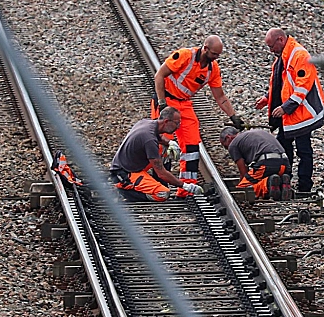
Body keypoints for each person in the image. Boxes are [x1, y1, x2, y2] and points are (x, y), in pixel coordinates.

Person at [152, 34, 245, 182]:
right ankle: (159, 182)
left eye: (218, 55)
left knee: (192, 142)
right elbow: (159, 75)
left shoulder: (212, 69)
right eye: (214, 54)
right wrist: (162, 103)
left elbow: (220, 97)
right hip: (167, 99)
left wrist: (233, 116)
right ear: (205, 48)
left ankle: (188, 185)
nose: (215, 58)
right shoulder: (184, 56)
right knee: (163, 142)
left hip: (184, 103)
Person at [255, 28, 324, 193]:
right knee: (283, 148)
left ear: (280, 39)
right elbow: (283, 84)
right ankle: (284, 181)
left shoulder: (299, 56)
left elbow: (302, 86)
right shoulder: (285, 56)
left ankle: (304, 187)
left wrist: (285, 108)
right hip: (291, 115)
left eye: (272, 46)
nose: (271, 50)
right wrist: (268, 99)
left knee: (303, 150)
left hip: (302, 114)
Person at [110, 106, 204, 202]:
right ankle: (123, 191)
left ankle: (157, 183)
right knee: (162, 194)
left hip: (132, 165)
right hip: (124, 173)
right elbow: (161, 173)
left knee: (164, 150)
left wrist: (170, 143)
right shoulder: (149, 140)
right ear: (166, 122)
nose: (179, 126)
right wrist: (185, 186)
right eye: (177, 123)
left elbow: (159, 137)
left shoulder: (147, 123)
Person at [220, 126, 292, 201]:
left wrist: (242, 184)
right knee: (266, 176)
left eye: (225, 146)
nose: (227, 149)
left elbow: (243, 172)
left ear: (228, 137)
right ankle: (282, 183)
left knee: (243, 189)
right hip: (285, 163)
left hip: (267, 163)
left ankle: (268, 184)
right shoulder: (257, 132)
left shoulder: (233, 144)